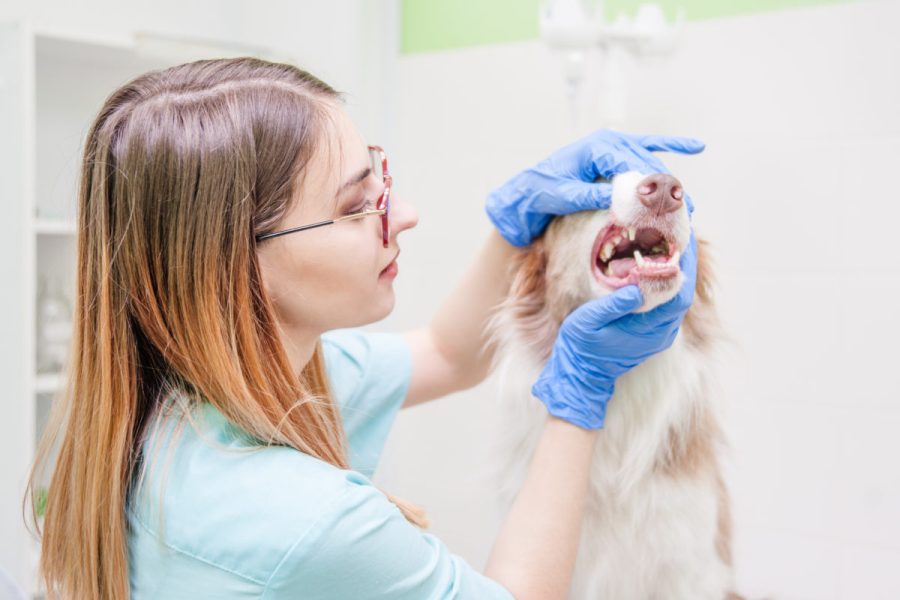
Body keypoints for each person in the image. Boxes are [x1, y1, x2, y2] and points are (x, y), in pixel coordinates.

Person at [27, 57, 704, 600]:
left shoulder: (208, 399)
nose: (403, 213)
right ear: (239, 267)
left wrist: (511, 224)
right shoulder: (301, 519)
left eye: (381, 178)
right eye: (357, 205)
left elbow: (447, 353)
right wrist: (582, 391)